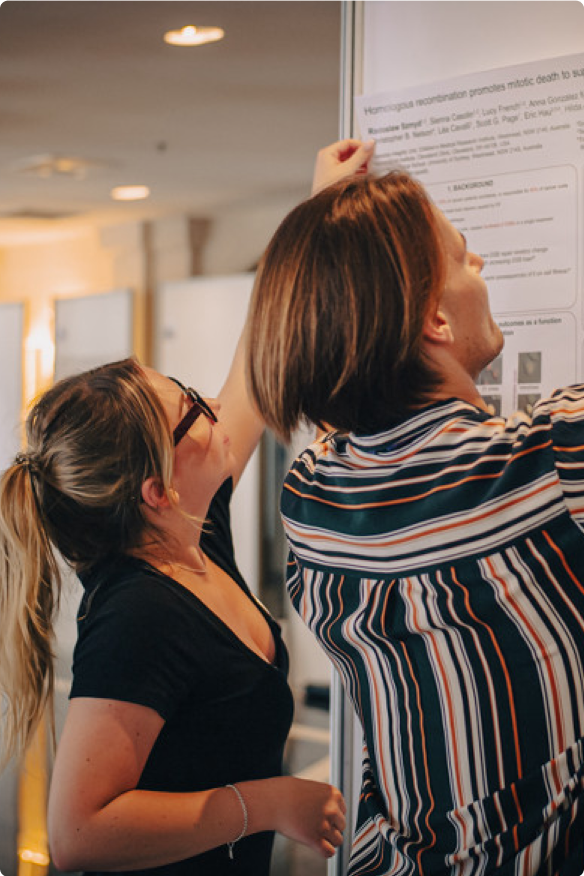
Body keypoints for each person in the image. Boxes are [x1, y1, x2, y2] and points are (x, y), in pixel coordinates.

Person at [245, 139, 584, 875]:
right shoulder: (547, 464)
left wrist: (328, 225)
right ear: (435, 320)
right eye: (463, 258)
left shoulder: (312, 498)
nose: (480, 265)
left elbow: (332, 376)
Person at [0, 322, 346, 875]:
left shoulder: (193, 536)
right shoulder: (138, 615)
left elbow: (254, 370)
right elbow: (77, 834)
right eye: (192, 408)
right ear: (160, 491)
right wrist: (266, 804)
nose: (214, 406)